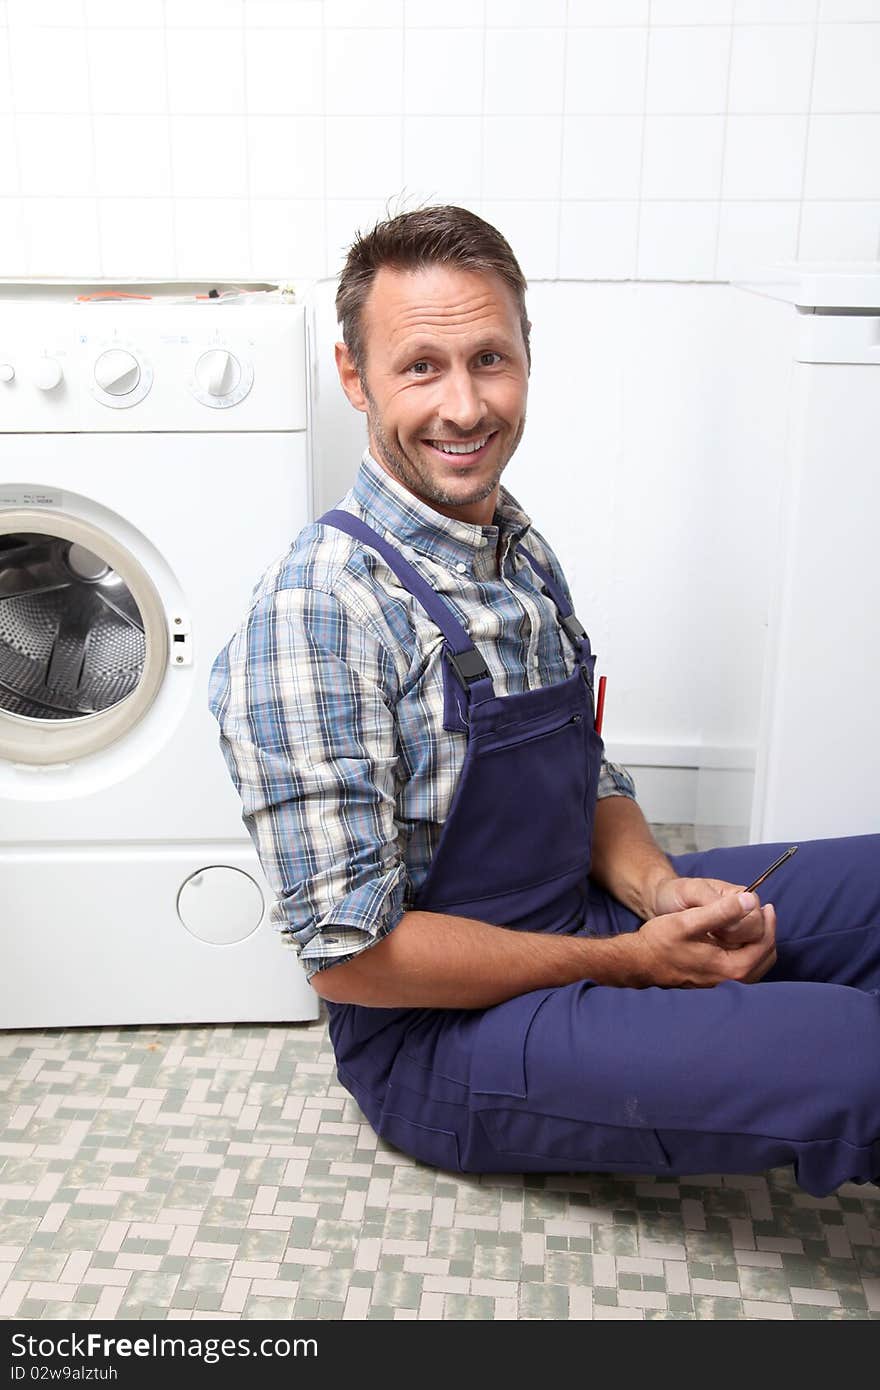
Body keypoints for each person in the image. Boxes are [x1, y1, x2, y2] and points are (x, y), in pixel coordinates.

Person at [209, 205, 880, 1199]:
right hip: (440, 1037)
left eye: (489, 358)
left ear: (527, 356)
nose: (465, 406)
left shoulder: (514, 544)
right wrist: (628, 964)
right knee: (858, 1060)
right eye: (420, 366)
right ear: (355, 377)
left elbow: (584, 767)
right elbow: (353, 958)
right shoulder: (318, 611)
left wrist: (657, 892)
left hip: (588, 915)